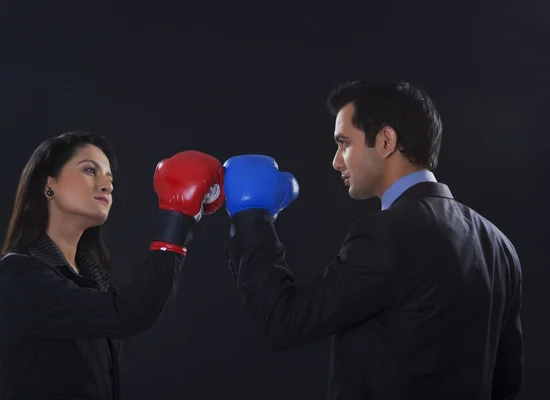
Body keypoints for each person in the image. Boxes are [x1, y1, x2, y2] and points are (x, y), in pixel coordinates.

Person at [222, 80, 524, 400]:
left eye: (344, 144)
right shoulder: (500, 246)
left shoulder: (387, 233)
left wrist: (251, 218)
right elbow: (506, 382)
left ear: (385, 140)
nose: (336, 161)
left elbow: (285, 322)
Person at [0, 131, 225, 400]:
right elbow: (132, 312)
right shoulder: (18, 275)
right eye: (90, 170)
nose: (107, 186)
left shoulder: (91, 276)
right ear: (48, 185)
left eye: (110, 179)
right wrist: (176, 219)